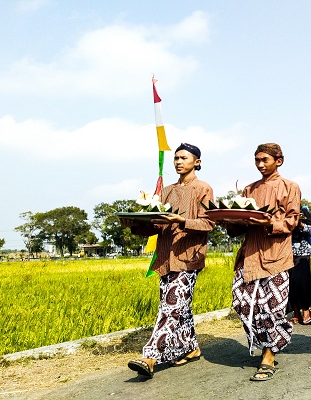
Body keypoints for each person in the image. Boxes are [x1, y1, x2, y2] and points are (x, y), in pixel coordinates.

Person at [124, 143, 215, 379]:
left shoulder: (203, 189)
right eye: (175, 158)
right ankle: (191, 348)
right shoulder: (165, 192)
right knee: (179, 308)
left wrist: (181, 220)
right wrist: (135, 224)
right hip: (165, 257)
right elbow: (156, 227)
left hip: (188, 258)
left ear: (197, 162)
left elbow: (208, 224)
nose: (178, 162)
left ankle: (150, 356)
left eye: (184, 158)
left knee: (171, 307)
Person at [225, 143, 301, 382]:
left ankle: (269, 354)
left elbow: (292, 222)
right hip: (249, 255)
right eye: (257, 160)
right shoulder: (248, 189)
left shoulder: (290, 187)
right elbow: (237, 226)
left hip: (277, 255)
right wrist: (228, 216)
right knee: (242, 302)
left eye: (264, 160)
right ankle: (267, 342)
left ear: (279, 160)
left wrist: (268, 223)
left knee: (273, 308)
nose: (260, 165)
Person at [288, 205, 311, 325]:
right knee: (291, 283)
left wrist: (300, 223)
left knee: (303, 283)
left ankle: (306, 310)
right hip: (288, 255)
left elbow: (310, 230)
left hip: (303, 255)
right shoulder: (285, 221)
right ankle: (296, 312)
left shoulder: (305, 222)